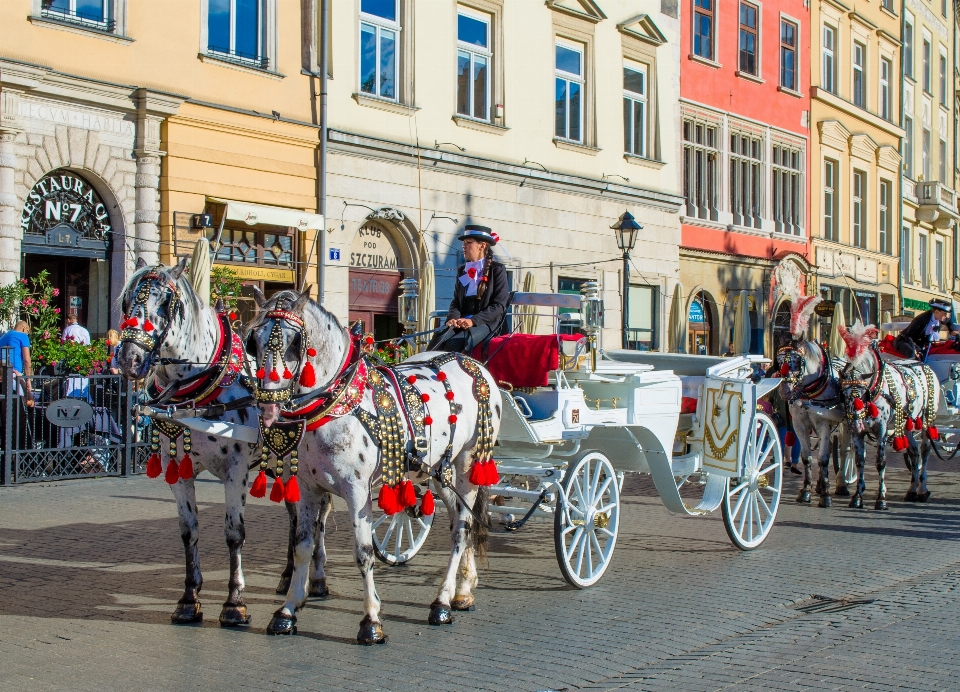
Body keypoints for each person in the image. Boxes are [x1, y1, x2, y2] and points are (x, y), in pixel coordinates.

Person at [429, 225, 510, 354]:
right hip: (462, 321)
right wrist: (453, 318)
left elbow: (499, 305)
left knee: (454, 343)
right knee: (438, 339)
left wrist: (473, 320)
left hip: (486, 323)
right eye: (464, 243)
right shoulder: (463, 270)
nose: (464, 246)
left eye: (468, 243)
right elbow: (456, 301)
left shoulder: (497, 270)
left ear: (482, 246)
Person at [0, 320, 34, 407]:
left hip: (2, 373)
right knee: (25, 403)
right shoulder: (23, 336)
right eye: (27, 332)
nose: (27, 334)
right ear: (24, 328)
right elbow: (27, 359)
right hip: (14, 373)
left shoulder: (3, 337)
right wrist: (28, 380)